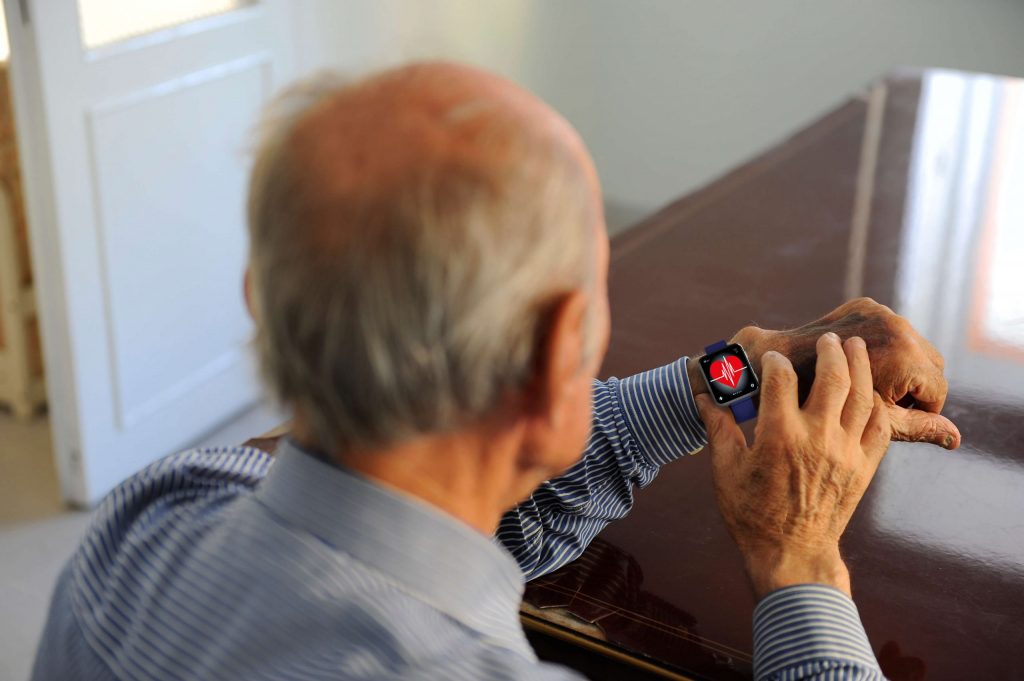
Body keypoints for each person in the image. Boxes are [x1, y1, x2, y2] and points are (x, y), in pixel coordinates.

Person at [31, 62, 960, 680]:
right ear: (565, 346)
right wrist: (800, 560)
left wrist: (719, 379)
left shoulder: (149, 516)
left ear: (260, 300)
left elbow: (438, 510)